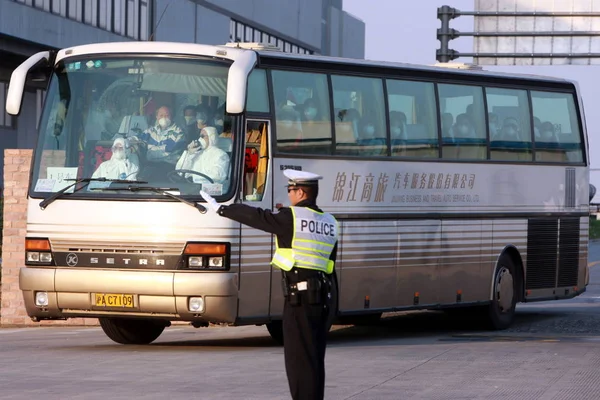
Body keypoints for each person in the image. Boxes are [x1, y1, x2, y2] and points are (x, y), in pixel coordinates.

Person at [199, 169, 339, 400]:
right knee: (313, 357)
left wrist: (221, 208)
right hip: (322, 298)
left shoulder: (291, 218)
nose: (289, 195)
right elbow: (330, 267)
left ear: (301, 191)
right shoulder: (329, 222)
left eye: (290, 190)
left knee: (298, 358)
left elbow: (258, 216)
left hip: (300, 299)